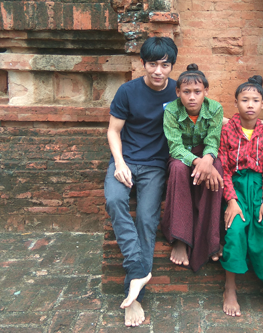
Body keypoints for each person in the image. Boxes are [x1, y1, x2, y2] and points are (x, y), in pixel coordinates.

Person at [104, 37, 178, 327]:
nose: (158, 71)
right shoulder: (128, 91)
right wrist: (120, 163)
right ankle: (139, 270)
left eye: (165, 65)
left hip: (155, 166)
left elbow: (205, 111)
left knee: (147, 219)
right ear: (143, 64)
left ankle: (133, 295)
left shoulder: (178, 91)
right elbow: (113, 131)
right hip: (125, 161)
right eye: (152, 64)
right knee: (114, 200)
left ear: (171, 65)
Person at [218, 76, 263, 319]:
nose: (250, 104)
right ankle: (230, 288)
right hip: (237, 189)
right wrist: (231, 201)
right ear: (236, 103)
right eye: (245, 100)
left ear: (262, 104)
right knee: (236, 228)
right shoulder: (227, 131)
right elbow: (224, 170)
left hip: (261, 191)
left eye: (255, 100)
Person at [161, 63, 224, 272]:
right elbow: (175, 146)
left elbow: (213, 140)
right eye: (186, 92)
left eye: (197, 92)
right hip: (181, 156)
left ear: (205, 91)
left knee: (218, 167)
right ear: (178, 92)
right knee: (178, 169)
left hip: (205, 152)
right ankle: (180, 239)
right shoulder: (171, 110)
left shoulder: (215, 108)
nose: (192, 97)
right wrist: (198, 162)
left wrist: (208, 159)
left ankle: (211, 239)